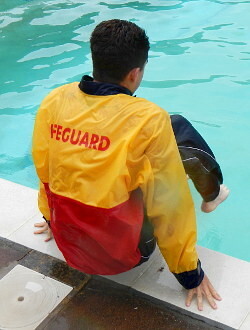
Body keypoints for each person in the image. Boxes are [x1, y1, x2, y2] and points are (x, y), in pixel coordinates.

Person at [32, 19, 226, 311]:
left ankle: (214, 193)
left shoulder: (55, 100)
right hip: (123, 257)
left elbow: (45, 171)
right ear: (136, 73)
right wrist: (190, 275)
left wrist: (51, 219)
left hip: (68, 242)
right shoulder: (148, 119)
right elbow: (170, 208)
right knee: (178, 129)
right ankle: (213, 194)